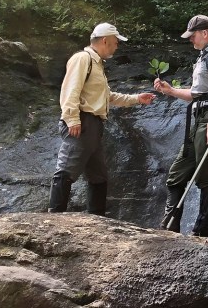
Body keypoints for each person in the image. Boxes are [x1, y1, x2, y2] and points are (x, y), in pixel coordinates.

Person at [48, 22, 156, 215]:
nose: (117, 47)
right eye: (115, 42)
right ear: (105, 40)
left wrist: (137, 99)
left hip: (94, 125)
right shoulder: (83, 59)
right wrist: (72, 119)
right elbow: (70, 90)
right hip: (82, 121)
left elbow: (108, 97)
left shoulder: (97, 64)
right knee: (66, 169)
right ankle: (54, 217)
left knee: (98, 175)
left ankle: (97, 219)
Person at [153, 14, 208, 237]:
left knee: (206, 177)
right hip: (198, 117)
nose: (190, 39)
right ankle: (170, 228)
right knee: (176, 174)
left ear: (205, 33)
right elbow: (197, 94)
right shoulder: (203, 57)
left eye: (193, 35)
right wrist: (170, 91)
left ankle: (202, 233)